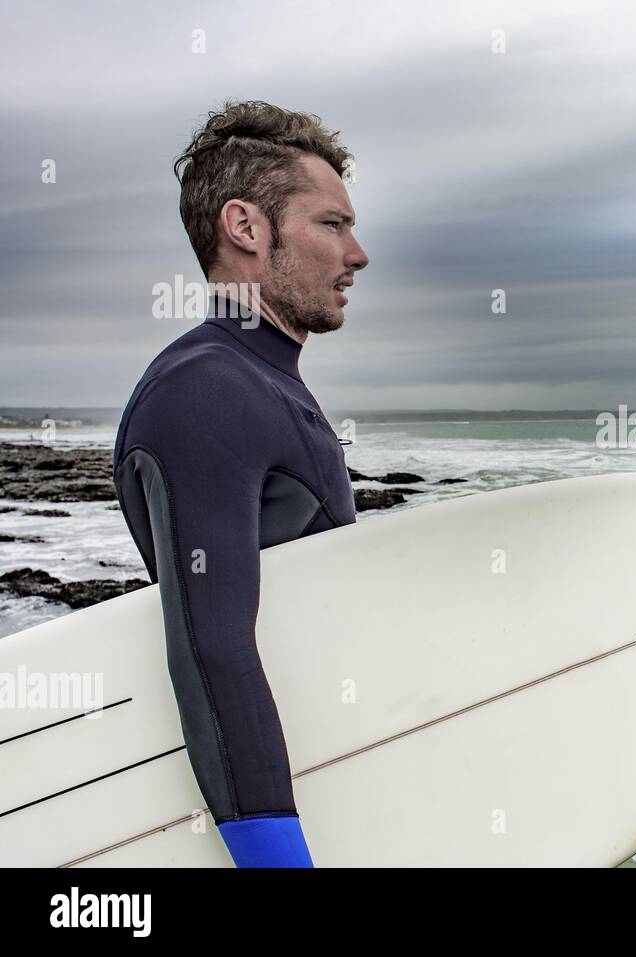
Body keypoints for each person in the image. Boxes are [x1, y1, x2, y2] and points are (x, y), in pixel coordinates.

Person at [111, 100, 369, 867]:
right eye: (331, 225)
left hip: (338, 781)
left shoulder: (262, 382)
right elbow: (213, 648)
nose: (357, 253)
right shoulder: (207, 391)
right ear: (247, 227)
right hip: (282, 819)